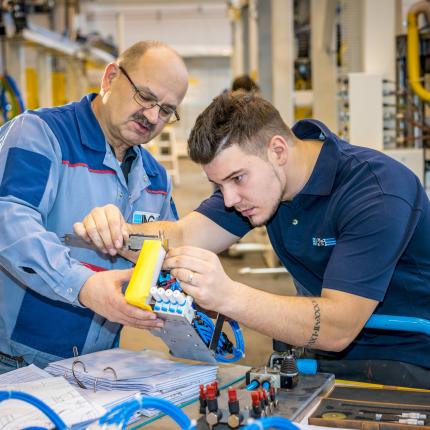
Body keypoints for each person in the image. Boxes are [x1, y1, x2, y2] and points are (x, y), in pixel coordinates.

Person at [74, 91, 430, 388]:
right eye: (220, 186)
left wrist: (226, 294)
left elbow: (338, 327)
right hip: (317, 354)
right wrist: (115, 231)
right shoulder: (260, 188)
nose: (229, 200)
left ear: (277, 150)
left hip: (407, 358)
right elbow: (181, 235)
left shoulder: (377, 191)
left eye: (238, 179)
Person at [0, 40, 188, 371]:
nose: (152, 116)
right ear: (110, 77)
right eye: (145, 97)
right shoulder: (41, 134)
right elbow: (10, 222)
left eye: (166, 110)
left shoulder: (156, 179)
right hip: (15, 362)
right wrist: (83, 285)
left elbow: (164, 262)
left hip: (99, 366)